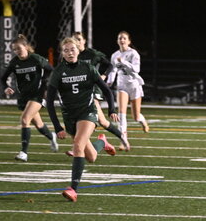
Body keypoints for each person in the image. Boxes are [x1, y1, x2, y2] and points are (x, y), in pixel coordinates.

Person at [45, 37, 119, 202]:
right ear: (62, 53)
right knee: (91, 157)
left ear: (78, 51)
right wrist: (57, 127)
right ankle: (102, 142)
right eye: (66, 50)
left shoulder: (88, 68)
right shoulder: (58, 72)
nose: (70, 53)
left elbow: (107, 91)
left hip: (88, 112)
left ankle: (73, 189)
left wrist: (112, 109)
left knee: (78, 144)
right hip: (70, 116)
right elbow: (49, 102)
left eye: (72, 49)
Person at [68, 32, 129, 154]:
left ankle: (77, 148)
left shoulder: (93, 54)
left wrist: (104, 75)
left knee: (87, 117)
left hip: (93, 89)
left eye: (79, 39)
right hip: (80, 91)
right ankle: (117, 139)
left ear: (84, 41)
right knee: (103, 122)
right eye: (74, 40)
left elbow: (110, 65)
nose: (77, 42)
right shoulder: (72, 56)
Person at [0, 34, 58, 161]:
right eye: (14, 49)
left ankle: (23, 153)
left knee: (25, 119)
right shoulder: (14, 62)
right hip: (24, 96)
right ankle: (51, 136)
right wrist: (6, 87)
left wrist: (45, 85)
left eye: (19, 48)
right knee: (38, 124)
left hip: (37, 95)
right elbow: (3, 78)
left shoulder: (36, 59)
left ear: (26, 47)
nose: (17, 51)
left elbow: (50, 69)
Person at [107, 30, 149, 150]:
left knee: (136, 116)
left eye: (124, 38)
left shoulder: (133, 53)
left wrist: (124, 62)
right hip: (122, 86)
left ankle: (143, 121)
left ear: (129, 41)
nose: (122, 40)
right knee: (121, 114)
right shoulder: (114, 55)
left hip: (134, 85)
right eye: (120, 38)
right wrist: (109, 82)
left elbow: (136, 69)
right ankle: (123, 141)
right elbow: (113, 70)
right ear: (117, 41)